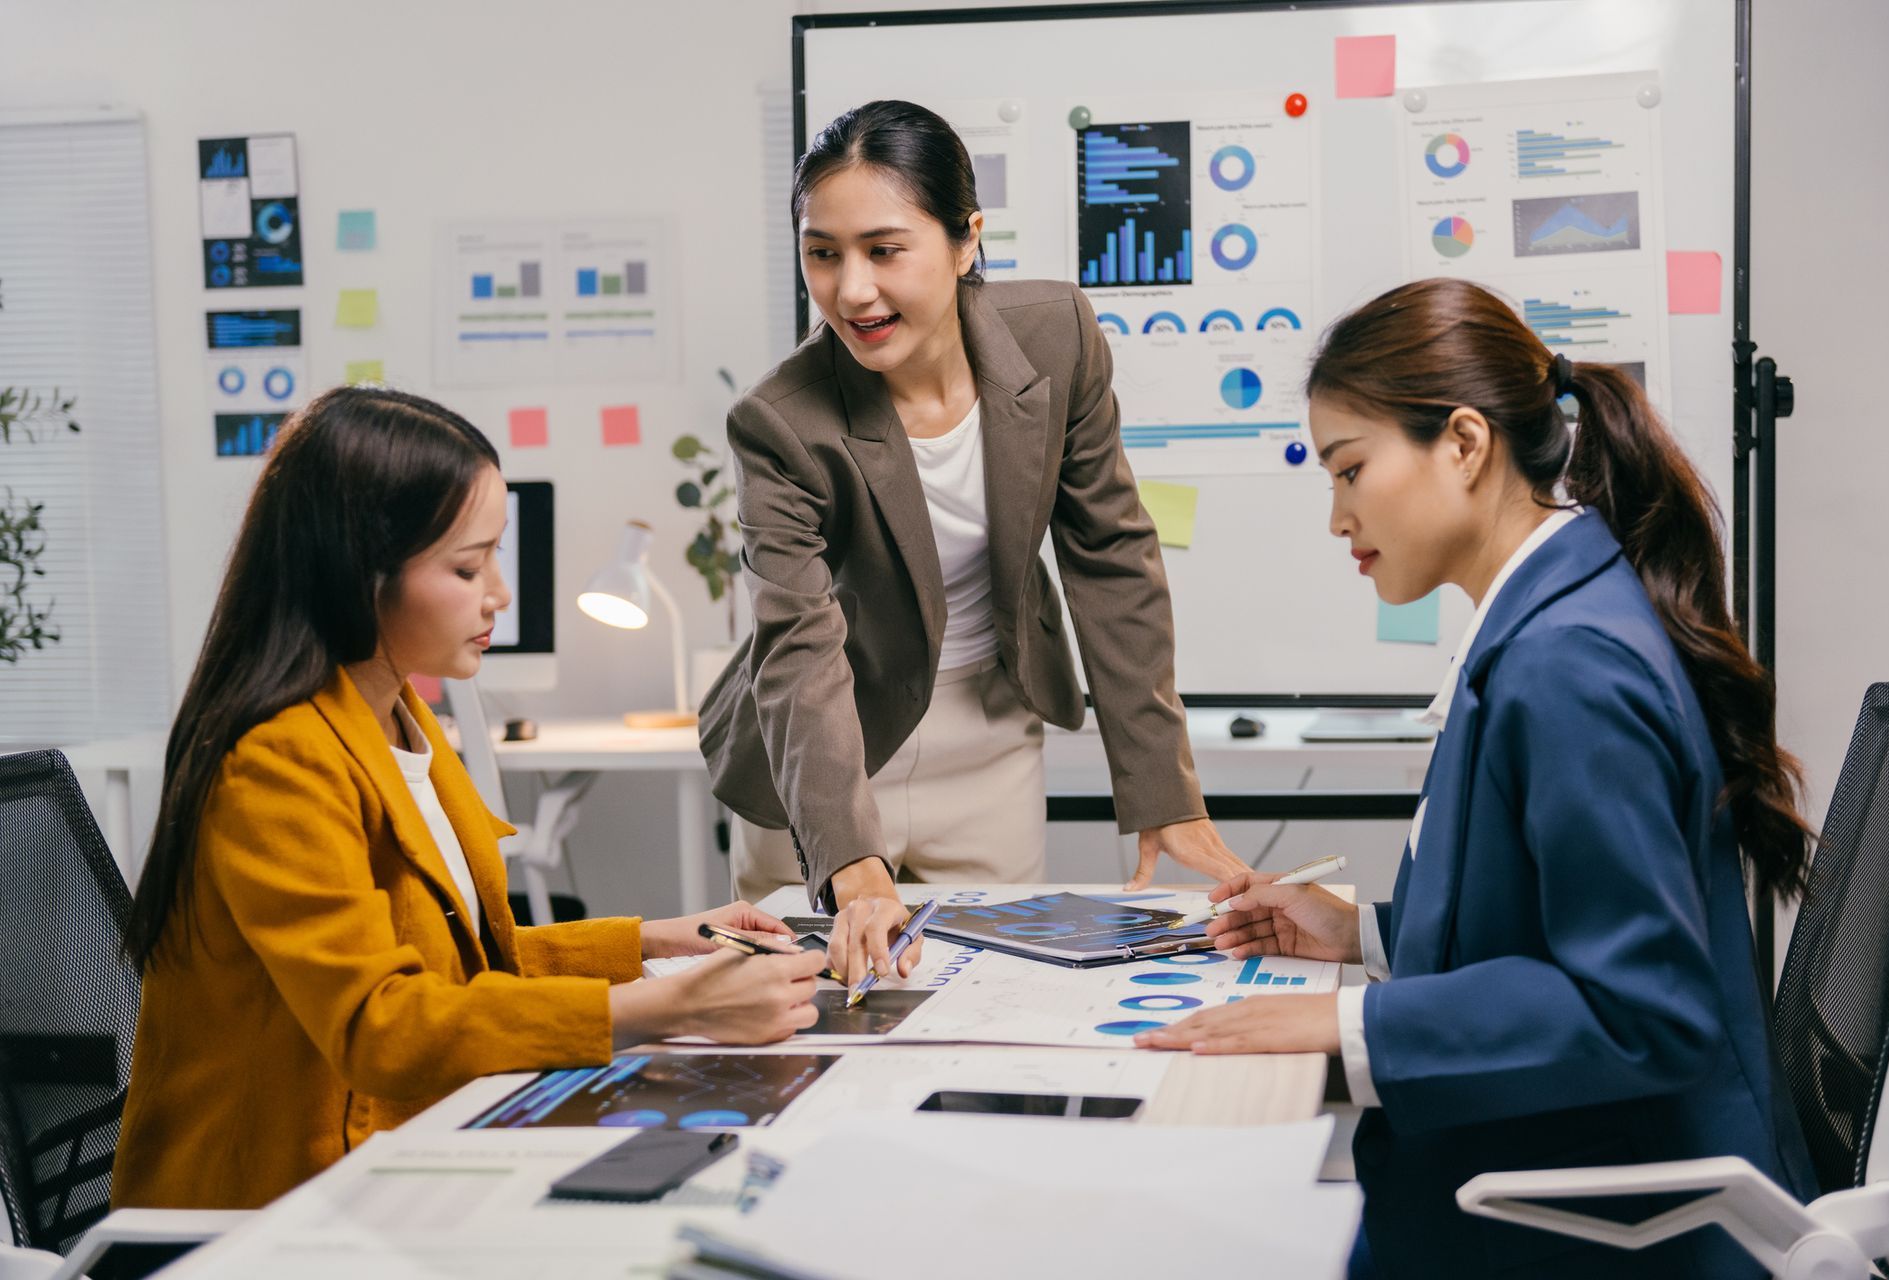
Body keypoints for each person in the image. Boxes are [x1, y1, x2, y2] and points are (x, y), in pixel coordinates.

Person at [1135, 279, 1817, 1277]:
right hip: (1564, 1178)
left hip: (1614, 1224)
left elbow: (1638, 1007)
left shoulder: (1568, 660)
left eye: (1351, 469)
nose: (1338, 517)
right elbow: (1545, 919)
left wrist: (1351, 1016)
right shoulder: (1550, 617)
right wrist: (1364, 933)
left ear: (1463, 442)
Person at [115, 387, 824, 1210]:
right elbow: (383, 1027)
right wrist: (659, 1007)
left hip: (401, 1149)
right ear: (360, 573)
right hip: (272, 1208)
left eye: (496, 557)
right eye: (466, 566)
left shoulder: (403, 718)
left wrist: (661, 942)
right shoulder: (275, 761)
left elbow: (462, 964)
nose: (499, 594)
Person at [699, 99, 1248, 985]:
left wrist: (1161, 790)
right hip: (823, 751)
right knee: (818, 1020)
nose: (852, 290)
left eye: (885, 249)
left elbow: (1110, 556)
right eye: (822, 253)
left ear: (964, 241)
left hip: (989, 738)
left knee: (1003, 1002)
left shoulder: (1056, 335)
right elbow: (797, 642)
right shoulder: (779, 420)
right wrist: (849, 858)